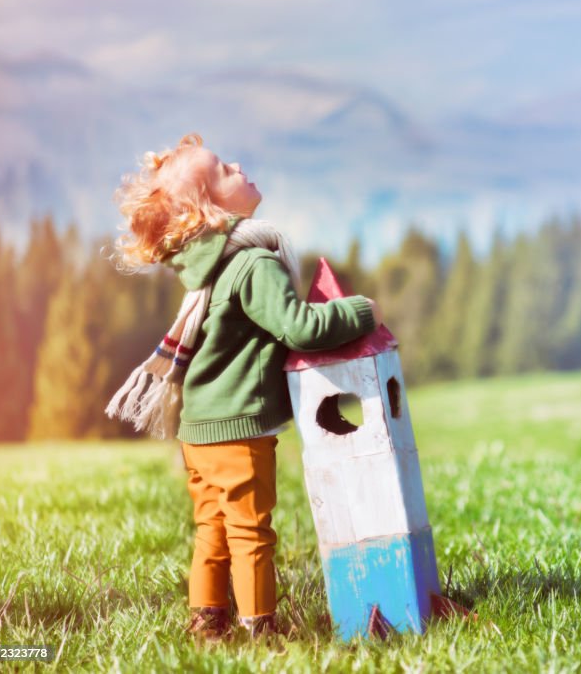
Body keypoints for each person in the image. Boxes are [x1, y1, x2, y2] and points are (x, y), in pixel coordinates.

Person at [105, 133, 382, 642]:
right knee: (251, 532)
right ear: (210, 209)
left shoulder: (205, 270)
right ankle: (260, 629)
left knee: (212, 530)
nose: (237, 164)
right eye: (223, 170)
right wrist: (360, 311)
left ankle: (208, 624)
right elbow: (298, 326)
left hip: (198, 430)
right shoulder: (252, 264)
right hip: (237, 430)